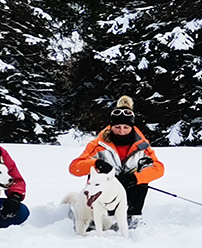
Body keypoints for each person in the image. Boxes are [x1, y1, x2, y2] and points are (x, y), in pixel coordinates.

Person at [69, 96, 166, 229]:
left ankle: (133, 216)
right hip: (102, 192)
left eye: (126, 127)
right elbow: (74, 168)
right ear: (111, 126)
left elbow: (158, 168)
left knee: (143, 178)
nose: (121, 131)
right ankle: (93, 215)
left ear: (132, 127)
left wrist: (135, 178)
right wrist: (96, 164)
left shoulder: (142, 146)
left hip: (128, 191)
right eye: (117, 127)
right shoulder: (98, 145)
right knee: (95, 178)